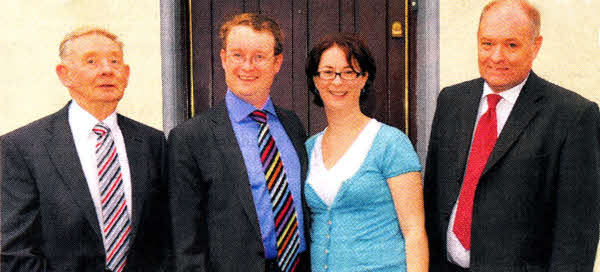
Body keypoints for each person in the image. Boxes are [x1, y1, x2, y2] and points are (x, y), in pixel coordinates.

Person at [424, 0, 600, 271]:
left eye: (511, 45)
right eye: (487, 43)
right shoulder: (451, 101)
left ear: (535, 46)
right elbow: (434, 196)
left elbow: (576, 234)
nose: (496, 56)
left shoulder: (573, 116)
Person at [0, 27, 168, 271]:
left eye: (114, 61)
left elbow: (167, 235)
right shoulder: (22, 147)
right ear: (64, 74)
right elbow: (14, 250)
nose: (107, 70)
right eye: (91, 61)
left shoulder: (152, 142)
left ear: (127, 73)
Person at [168, 13, 309, 272]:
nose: (247, 66)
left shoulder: (292, 125)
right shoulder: (190, 138)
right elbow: (185, 242)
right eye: (237, 55)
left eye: (259, 56)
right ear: (223, 58)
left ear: (277, 62)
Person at [304, 32, 428, 272]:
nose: (337, 82)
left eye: (349, 72)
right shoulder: (309, 149)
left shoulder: (391, 144)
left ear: (363, 79)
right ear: (316, 81)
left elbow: (414, 232)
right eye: (328, 72)